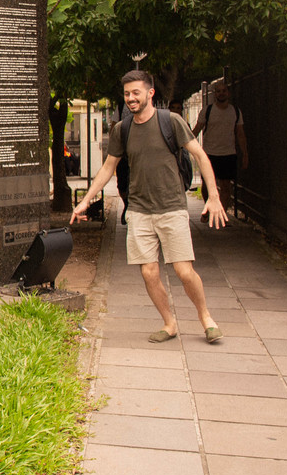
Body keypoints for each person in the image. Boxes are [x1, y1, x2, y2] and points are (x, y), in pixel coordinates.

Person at [71, 70, 226, 344]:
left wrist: (212, 196)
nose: (131, 98)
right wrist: (85, 199)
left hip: (171, 207)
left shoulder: (171, 122)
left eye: (136, 93)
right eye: (127, 94)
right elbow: (108, 168)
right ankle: (169, 323)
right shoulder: (123, 130)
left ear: (150, 93)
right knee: (148, 271)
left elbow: (200, 155)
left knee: (183, 271)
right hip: (139, 210)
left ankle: (206, 318)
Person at [191, 80, 247, 217]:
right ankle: (207, 209)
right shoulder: (208, 111)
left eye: (224, 91)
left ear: (228, 93)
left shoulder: (235, 112)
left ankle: (220, 214)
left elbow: (240, 134)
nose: (221, 94)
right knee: (206, 184)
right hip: (209, 153)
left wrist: (245, 154)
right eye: (218, 91)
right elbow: (197, 129)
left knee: (226, 185)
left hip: (228, 153)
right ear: (215, 94)